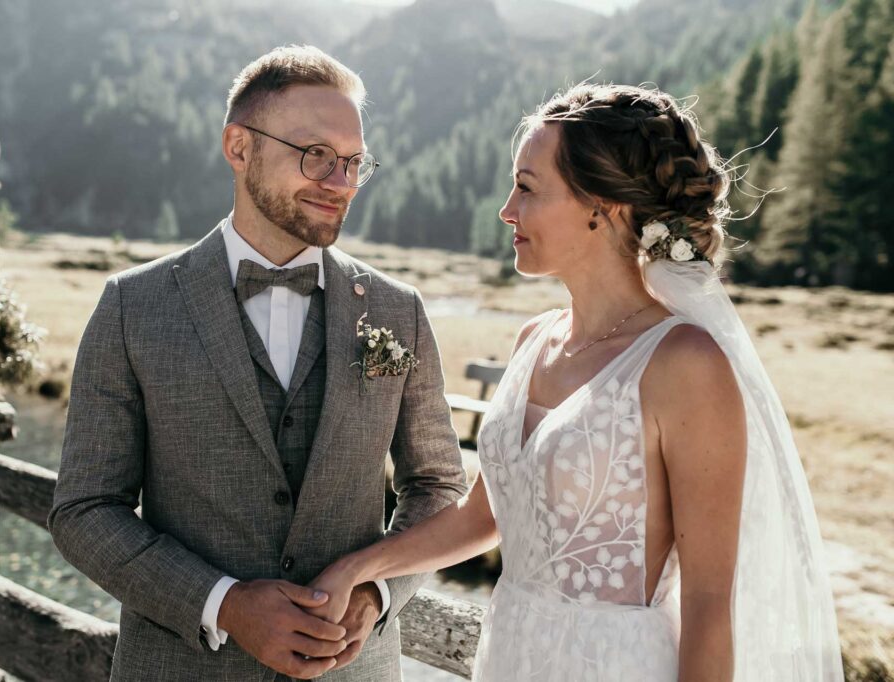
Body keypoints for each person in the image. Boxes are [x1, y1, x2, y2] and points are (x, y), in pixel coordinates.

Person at [307, 83, 843, 681]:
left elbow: (710, 607)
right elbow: (482, 517)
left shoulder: (685, 364)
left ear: (602, 205)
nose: (507, 210)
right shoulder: (533, 339)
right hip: (510, 656)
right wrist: (359, 569)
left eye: (528, 188)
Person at [48, 45, 467, 681]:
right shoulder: (133, 306)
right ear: (239, 148)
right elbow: (84, 510)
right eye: (316, 155)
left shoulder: (397, 309)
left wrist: (377, 591)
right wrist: (224, 604)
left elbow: (437, 486)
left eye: (354, 163)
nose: (340, 182)